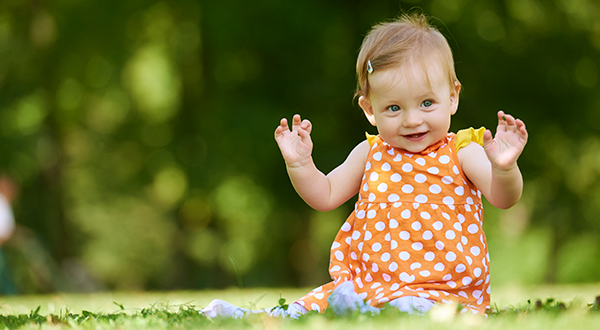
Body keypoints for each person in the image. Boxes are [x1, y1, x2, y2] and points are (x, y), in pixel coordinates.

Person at [201, 12, 528, 318]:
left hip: (443, 294)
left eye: (427, 103)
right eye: (394, 108)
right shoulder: (370, 153)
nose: (412, 120)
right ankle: (262, 318)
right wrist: (300, 164)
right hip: (368, 285)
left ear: (452, 97)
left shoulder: (461, 151)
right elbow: (325, 195)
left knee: (402, 307)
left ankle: (359, 306)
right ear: (370, 109)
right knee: (318, 303)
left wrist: (504, 168)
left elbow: (504, 197)